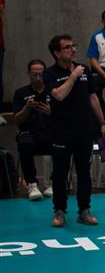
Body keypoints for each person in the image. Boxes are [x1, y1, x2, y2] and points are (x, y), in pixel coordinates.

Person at [45, 35, 105, 227]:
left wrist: (102, 122)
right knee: (60, 173)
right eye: (67, 47)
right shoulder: (50, 74)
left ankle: (84, 210)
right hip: (61, 132)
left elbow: (93, 97)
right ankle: (59, 211)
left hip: (84, 131)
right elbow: (59, 95)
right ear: (57, 53)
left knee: (84, 172)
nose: (73, 49)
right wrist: (73, 76)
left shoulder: (84, 70)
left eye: (73, 46)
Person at [13, 59, 54, 200]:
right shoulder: (21, 93)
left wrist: (51, 112)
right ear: (29, 74)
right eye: (34, 75)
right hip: (29, 133)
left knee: (62, 142)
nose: (37, 78)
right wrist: (26, 108)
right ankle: (32, 184)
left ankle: (54, 182)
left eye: (40, 74)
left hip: (50, 132)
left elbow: (65, 117)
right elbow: (17, 120)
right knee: (25, 143)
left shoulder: (53, 91)